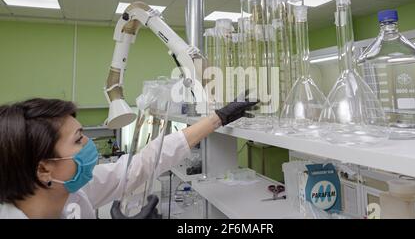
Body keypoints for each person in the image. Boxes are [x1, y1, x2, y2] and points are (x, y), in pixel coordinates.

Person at [0, 97, 257, 219]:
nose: (90, 144)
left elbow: (143, 164)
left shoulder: (74, 191)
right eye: (79, 139)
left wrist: (218, 118)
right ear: (44, 169)